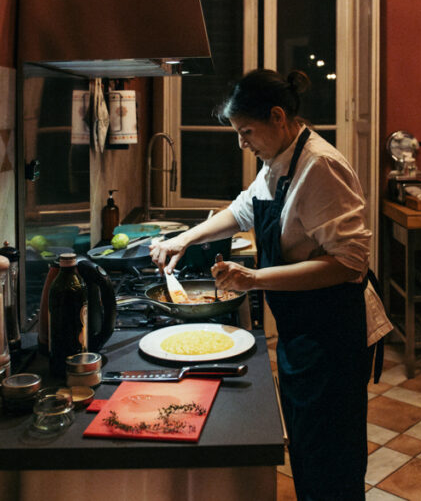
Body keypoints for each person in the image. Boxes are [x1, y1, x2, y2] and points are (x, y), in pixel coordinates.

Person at [150, 69, 391, 501]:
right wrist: (184, 238)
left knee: (331, 455)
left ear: (278, 116)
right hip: (304, 330)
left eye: (246, 131)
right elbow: (243, 210)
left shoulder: (321, 167)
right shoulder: (279, 161)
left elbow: (349, 262)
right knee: (307, 447)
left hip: (333, 330)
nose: (241, 143)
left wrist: (254, 279)